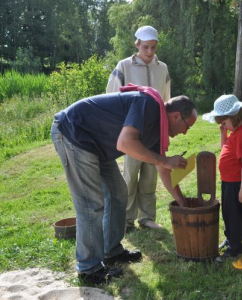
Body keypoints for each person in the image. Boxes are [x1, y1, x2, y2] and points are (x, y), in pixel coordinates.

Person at [51, 86, 197, 284]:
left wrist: (182, 203)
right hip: (74, 133)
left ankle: (111, 250)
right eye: (187, 127)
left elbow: (163, 169)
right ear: (177, 116)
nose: (185, 133)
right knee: (91, 204)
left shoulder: (158, 128)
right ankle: (88, 268)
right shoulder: (148, 105)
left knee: (119, 192)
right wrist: (164, 160)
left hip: (97, 145)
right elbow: (125, 143)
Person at [106, 25, 171, 231]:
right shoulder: (124, 66)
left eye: (153, 47)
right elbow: (112, 97)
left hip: (155, 132)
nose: (150, 52)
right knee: (130, 176)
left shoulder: (163, 68)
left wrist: (165, 128)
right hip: (131, 131)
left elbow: (166, 99)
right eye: (145, 47)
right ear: (137, 45)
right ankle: (126, 220)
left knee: (150, 176)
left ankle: (147, 217)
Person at [202, 94, 242, 262]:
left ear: (233, 116)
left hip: (237, 183)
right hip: (229, 181)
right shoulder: (237, 130)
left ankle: (235, 249)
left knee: (234, 215)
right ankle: (232, 239)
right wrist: (223, 133)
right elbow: (225, 147)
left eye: (224, 123)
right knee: (229, 213)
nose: (223, 126)